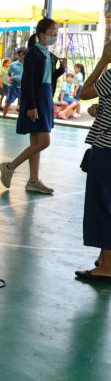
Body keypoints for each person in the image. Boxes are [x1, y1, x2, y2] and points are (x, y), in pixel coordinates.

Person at [0, 18, 66, 194]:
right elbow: (28, 82)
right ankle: (10, 167)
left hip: (44, 98)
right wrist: (30, 105)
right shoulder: (34, 54)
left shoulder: (46, 54)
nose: (56, 35)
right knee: (44, 142)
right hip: (36, 100)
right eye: (53, 31)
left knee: (36, 142)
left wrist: (61, 69)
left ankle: (33, 180)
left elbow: (47, 79)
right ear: (42, 34)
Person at [74, 42, 111, 284]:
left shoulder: (109, 76)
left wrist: (103, 60)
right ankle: (104, 259)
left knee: (102, 204)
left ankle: (106, 267)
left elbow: (84, 92)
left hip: (107, 148)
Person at [3, 48, 26, 118]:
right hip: (13, 87)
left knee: (23, 104)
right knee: (8, 102)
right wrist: (10, 79)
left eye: (26, 53)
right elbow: (9, 73)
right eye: (23, 53)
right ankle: (4, 115)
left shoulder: (29, 64)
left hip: (23, 87)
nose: (25, 55)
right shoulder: (13, 64)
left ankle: (21, 117)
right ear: (19, 54)